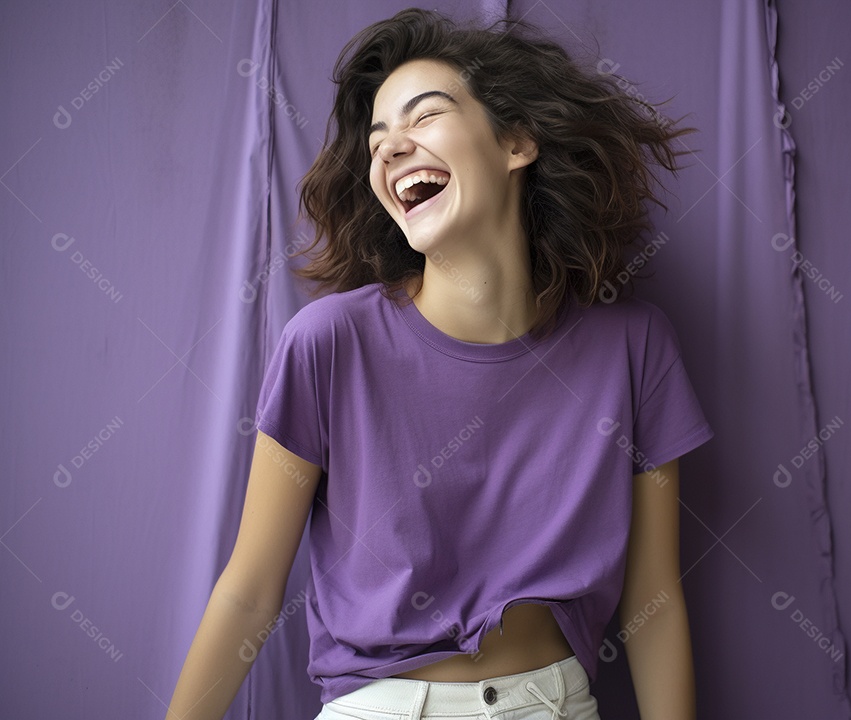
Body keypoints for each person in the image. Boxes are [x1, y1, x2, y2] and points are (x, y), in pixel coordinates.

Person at [166, 8, 713, 720]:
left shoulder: (635, 347)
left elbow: (654, 600)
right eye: (377, 140)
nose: (391, 149)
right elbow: (249, 592)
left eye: (422, 117)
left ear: (516, 142)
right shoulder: (328, 343)